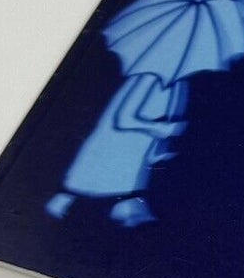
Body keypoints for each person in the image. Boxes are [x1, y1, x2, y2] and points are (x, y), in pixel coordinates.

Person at [45, 73, 187, 226]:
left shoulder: (179, 85)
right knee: (86, 188)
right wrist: (159, 128)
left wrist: (159, 148)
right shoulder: (150, 77)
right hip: (112, 152)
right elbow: (124, 119)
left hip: (131, 158)